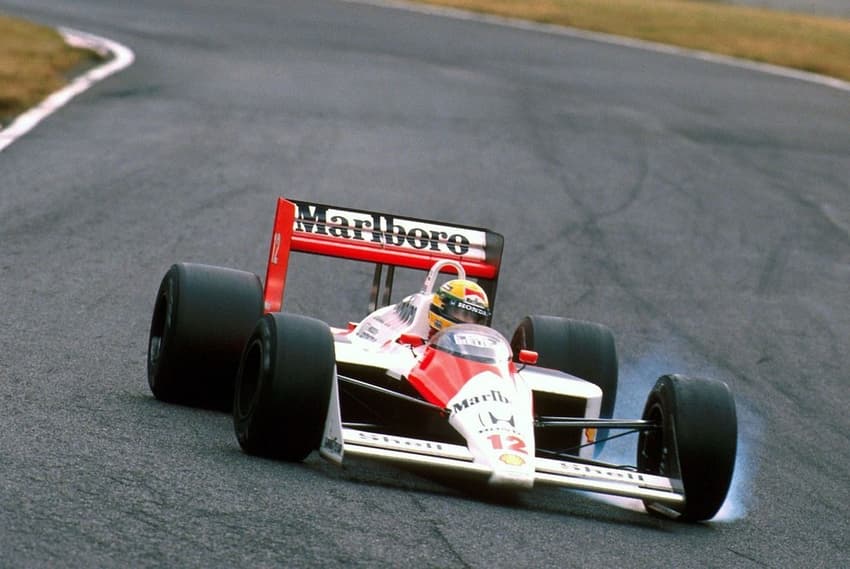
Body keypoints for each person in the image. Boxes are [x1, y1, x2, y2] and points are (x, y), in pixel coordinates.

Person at [427, 279, 492, 336]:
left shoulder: (482, 349)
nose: (470, 321)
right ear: (442, 307)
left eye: (475, 318)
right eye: (464, 314)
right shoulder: (419, 347)